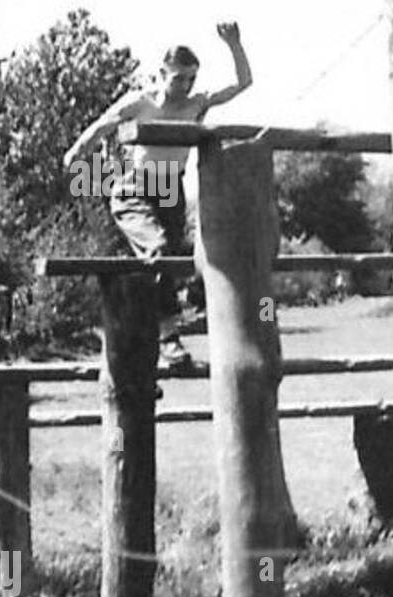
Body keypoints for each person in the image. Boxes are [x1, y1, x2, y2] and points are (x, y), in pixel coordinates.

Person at [64, 23, 253, 366]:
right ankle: (168, 339)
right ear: (162, 74)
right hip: (135, 187)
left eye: (191, 79)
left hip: (170, 188)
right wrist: (77, 152)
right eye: (178, 78)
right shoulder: (141, 101)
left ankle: (153, 329)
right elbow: (102, 125)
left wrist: (235, 45)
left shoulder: (196, 104)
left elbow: (242, 84)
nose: (185, 86)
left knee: (176, 260)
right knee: (158, 250)